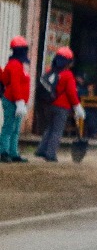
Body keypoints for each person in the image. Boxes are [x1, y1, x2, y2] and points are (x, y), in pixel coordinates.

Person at [36, 46, 84, 162]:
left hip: (48, 104)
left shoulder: (49, 71)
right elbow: (72, 93)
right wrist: (77, 107)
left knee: (50, 128)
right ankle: (50, 154)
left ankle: (41, 150)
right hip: (61, 107)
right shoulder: (67, 75)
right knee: (57, 130)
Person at [1, 35, 31, 163]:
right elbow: (14, 85)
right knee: (9, 127)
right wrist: (19, 102)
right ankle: (3, 152)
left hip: (17, 102)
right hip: (11, 101)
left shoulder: (17, 64)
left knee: (15, 128)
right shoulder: (15, 65)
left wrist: (22, 102)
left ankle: (13, 153)